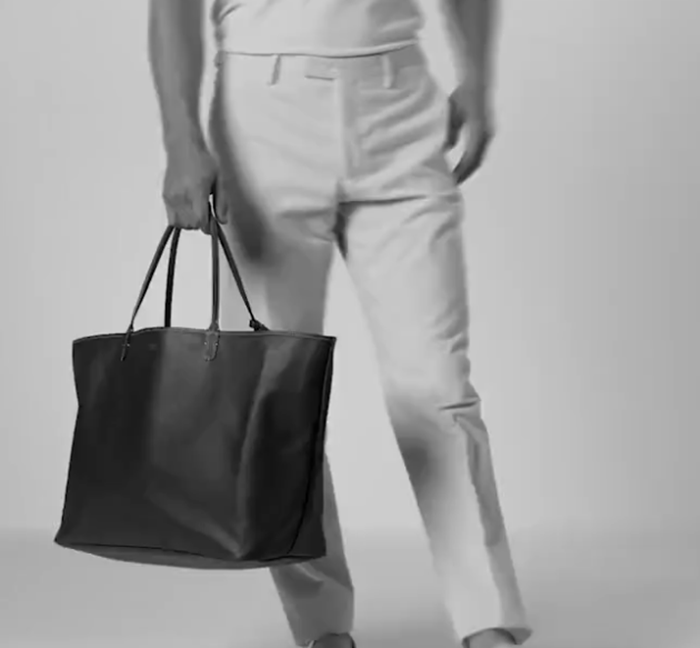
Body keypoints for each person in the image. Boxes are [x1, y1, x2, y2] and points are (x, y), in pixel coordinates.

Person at [147, 1, 534, 647]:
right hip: (262, 117)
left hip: (400, 104)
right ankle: (321, 624)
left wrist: (478, 76)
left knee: (436, 387)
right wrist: (181, 140)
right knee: (276, 395)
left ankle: (486, 616)